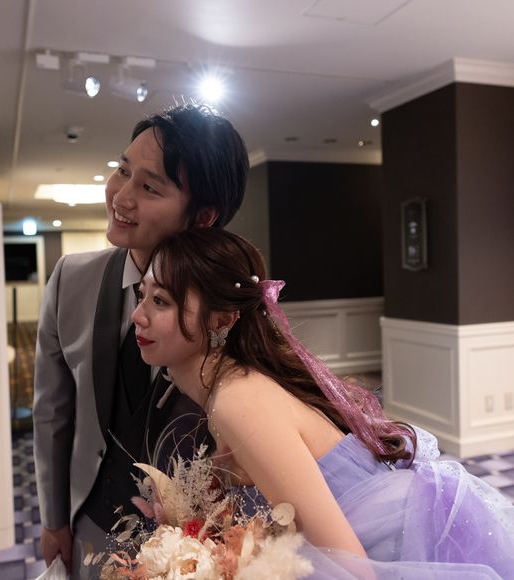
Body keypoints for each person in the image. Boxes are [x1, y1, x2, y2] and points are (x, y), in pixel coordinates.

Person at [131, 227, 514, 579]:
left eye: (160, 301)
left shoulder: (238, 400)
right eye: (141, 295)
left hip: (398, 552)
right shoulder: (228, 389)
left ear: (221, 320)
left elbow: (352, 568)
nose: (138, 315)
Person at [33, 104, 249, 578]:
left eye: (149, 187)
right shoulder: (71, 278)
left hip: (193, 546)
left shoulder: (231, 307)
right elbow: (52, 410)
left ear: (203, 216)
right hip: (88, 520)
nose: (121, 196)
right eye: (122, 170)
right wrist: (53, 519)